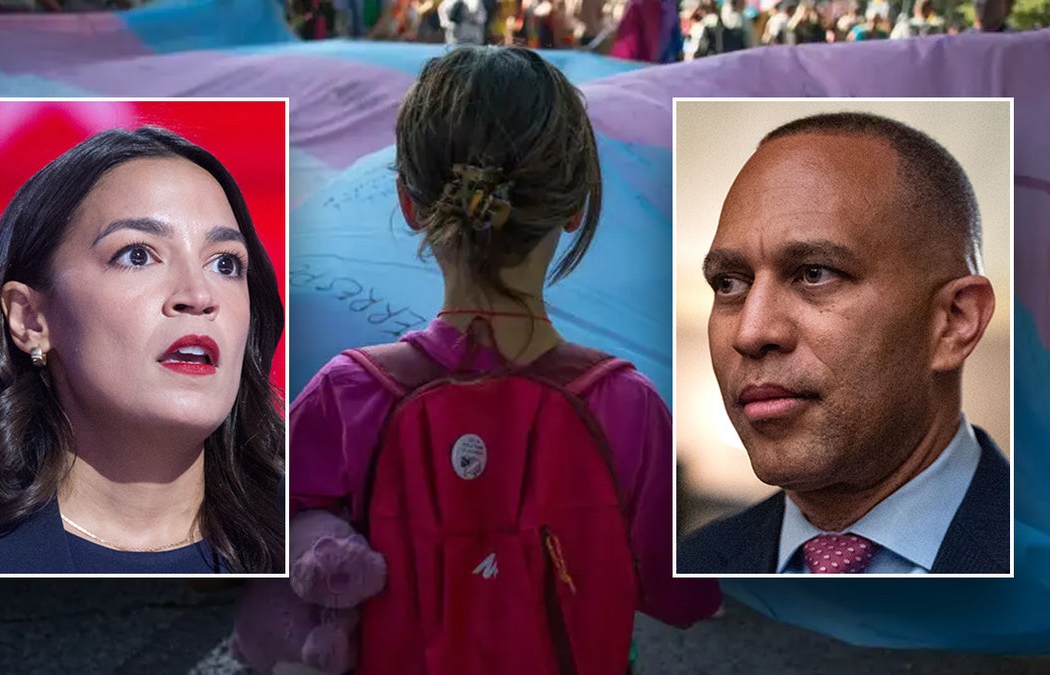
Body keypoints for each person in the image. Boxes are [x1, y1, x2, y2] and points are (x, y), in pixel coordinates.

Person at [280, 46, 721, 674]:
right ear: (574, 207)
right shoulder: (630, 408)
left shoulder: (347, 395)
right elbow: (684, 596)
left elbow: (256, 539)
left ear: (410, 203)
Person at [677, 112, 1009, 575]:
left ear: (955, 321)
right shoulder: (686, 573)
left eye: (815, 273)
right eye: (729, 283)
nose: (750, 333)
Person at [0, 126, 286, 574]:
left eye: (225, 263)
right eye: (137, 255)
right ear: (30, 320)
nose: (199, 295)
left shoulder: (321, 538)